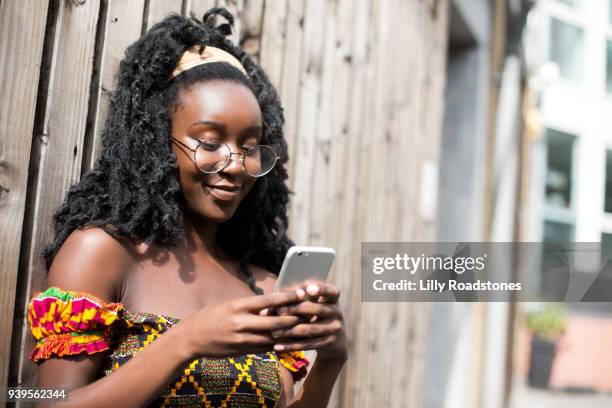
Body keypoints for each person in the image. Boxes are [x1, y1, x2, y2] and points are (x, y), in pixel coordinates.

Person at [27, 8, 348, 407]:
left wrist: (332, 361)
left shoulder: (263, 286)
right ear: (158, 140)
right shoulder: (103, 254)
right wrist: (186, 341)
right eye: (210, 143)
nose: (234, 165)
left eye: (249, 148)